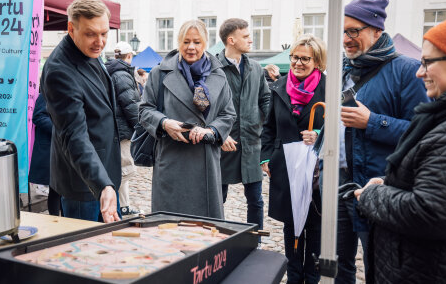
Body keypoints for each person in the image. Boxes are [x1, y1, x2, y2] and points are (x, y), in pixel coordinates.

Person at [355, 13, 446, 283]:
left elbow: (431, 212)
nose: (419, 71)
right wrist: (392, 182)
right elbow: (445, 182)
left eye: (428, 63)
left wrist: (373, 194)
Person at [336, 0, 429, 283]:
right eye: (343, 31)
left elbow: (423, 135)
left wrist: (372, 122)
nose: (346, 38)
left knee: (378, 267)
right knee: (338, 266)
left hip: (377, 189)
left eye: (353, 31)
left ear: (376, 29)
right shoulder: (344, 69)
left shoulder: (408, 70)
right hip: (337, 185)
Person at [139, 20, 236, 218]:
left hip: (206, 159)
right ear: (178, 43)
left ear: (205, 44)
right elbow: (144, 110)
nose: (191, 47)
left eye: (197, 42)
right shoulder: (160, 73)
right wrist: (165, 123)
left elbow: (228, 113)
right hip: (172, 158)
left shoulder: (219, 75)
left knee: (205, 229)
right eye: (186, 41)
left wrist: (212, 131)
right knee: (170, 226)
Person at [40, 0, 121, 223]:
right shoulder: (60, 71)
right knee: (84, 253)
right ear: (71, 28)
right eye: (91, 33)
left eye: (104, 33)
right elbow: (74, 136)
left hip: (104, 176)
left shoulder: (88, 51)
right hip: (83, 184)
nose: (100, 41)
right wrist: (102, 184)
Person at [260, 34, 326, 284]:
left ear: (317, 61)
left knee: (315, 225)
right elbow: (269, 127)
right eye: (294, 57)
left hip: (317, 171)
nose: (298, 63)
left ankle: (312, 276)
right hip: (285, 167)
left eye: (304, 59)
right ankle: (294, 276)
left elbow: (342, 129)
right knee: (291, 225)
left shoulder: (329, 89)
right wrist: (264, 157)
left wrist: (319, 135)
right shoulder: (279, 87)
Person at [216, 18, 270, 231]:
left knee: (256, 200)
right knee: (217, 199)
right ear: (231, 40)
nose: (251, 39)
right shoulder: (213, 68)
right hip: (222, 144)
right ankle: (214, 238)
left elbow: (265, 98)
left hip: (251, 144)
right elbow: (205, 107)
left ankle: (254, 239)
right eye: (246, 36)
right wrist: (218, 133)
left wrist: (263, 124)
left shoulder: (256, 68)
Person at [105, 41, 143, 217]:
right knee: (124, 170)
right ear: (129, 56)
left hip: (115, 128)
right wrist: (140, 128)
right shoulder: (122, 74)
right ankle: (117, 204)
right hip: (122, 130)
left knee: (121, 169)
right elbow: (130, 104)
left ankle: (124, 206)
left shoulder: (110, 70)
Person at [28, 92, 61, 216]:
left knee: (61, 188)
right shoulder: (46, 94)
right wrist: (59, 130)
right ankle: (55, 219)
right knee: (55, 188)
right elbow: (38, 116)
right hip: (51, 147)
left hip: (63, 147)